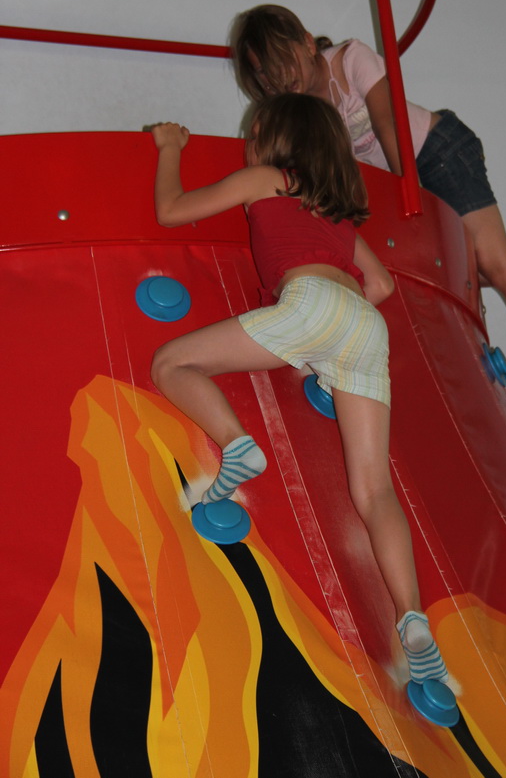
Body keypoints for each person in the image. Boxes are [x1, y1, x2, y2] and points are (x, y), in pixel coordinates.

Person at [150, 93, 448, 687]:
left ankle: (236, 444)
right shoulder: (337, 212)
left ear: (269, 135)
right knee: (374, 489)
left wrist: (170, 147)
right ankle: (412, 616)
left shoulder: (267, 179)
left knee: (171, 363)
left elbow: (171, 210)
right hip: (366, 325)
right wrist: (327, 351)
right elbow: (382, 286)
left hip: (310, 302)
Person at [229, 4, 506, 431]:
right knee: (451, 269)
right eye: (266, 74)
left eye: (283, 60)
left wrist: (410, 195)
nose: (280, 78)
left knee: (495, 262)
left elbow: (389, 123)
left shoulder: (349, 59)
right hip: (402, 177)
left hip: (436, 152)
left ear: (308, 43)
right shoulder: (303, 111)